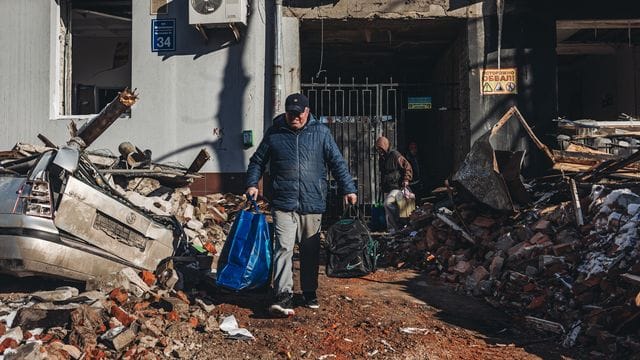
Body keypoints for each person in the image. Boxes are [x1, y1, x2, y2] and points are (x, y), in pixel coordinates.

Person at [246, 93, 357, 317]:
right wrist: (252, 184)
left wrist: (348, 188)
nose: (294, 117)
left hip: (312, 201)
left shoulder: (321, 133)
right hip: (283, 202)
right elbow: (257, 160)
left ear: (307, 112)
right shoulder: (275, 133)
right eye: (290, 113)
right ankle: (283, 296)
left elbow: (337, 162)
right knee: (284, 248)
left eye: (298, 113)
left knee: (309, 250)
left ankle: (309, 291)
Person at [375, 136, 413, 234]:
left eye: (380, 148)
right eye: (377, 149)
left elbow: (407, 166)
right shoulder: (382, 159)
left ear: (385, 146)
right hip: (389, 188)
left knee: (388, 203)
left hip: (397, 186)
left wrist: (406, 179)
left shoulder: (395, 155)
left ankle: (396, 228)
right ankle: (393, 230)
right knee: (390, 210)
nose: (379, 151)